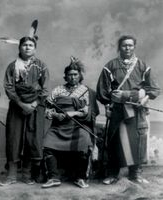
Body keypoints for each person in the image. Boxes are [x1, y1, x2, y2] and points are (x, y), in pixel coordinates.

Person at [96, 35, 160, 184]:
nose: (128, 48)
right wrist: (107, 106)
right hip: (118, 109)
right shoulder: (110, 66)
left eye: (130, 45)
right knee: (115, 140)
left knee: (137, 141)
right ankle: (113, 174)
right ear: (119, 47)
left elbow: (154, 89)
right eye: (124, 45)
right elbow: (102, 91)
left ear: (134, 47)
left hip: (137, 110)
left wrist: (144, 97)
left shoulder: (143, 66)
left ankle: (135, 174)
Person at [41, 57, 99, 189]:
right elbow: (47, 110)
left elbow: (88, 112)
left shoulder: (86, 91)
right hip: (59, 126)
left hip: (78, 126)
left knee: (85, 141)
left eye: (75, 75)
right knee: (47, 143)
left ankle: (81, 177)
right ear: (65, 76)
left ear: (80, 76)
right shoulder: (58, 90)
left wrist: (74, 113)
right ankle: (53, 177)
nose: (72, 77)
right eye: (69, 75)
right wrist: (56, 114)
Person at [0, 35, 49, 186]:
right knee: (14, 138)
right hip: (17, 106)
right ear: (19, 47)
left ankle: (26, 175)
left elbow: (45, 88)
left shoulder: (41, 66)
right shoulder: (12, 66)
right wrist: (21, 104)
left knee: (31, 138)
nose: (27, 47)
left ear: (35, 48)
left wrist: (34, 104)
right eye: (24, 45)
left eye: (30, 45)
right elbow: (8, 87)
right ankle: (12, 175)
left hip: (36, 107)